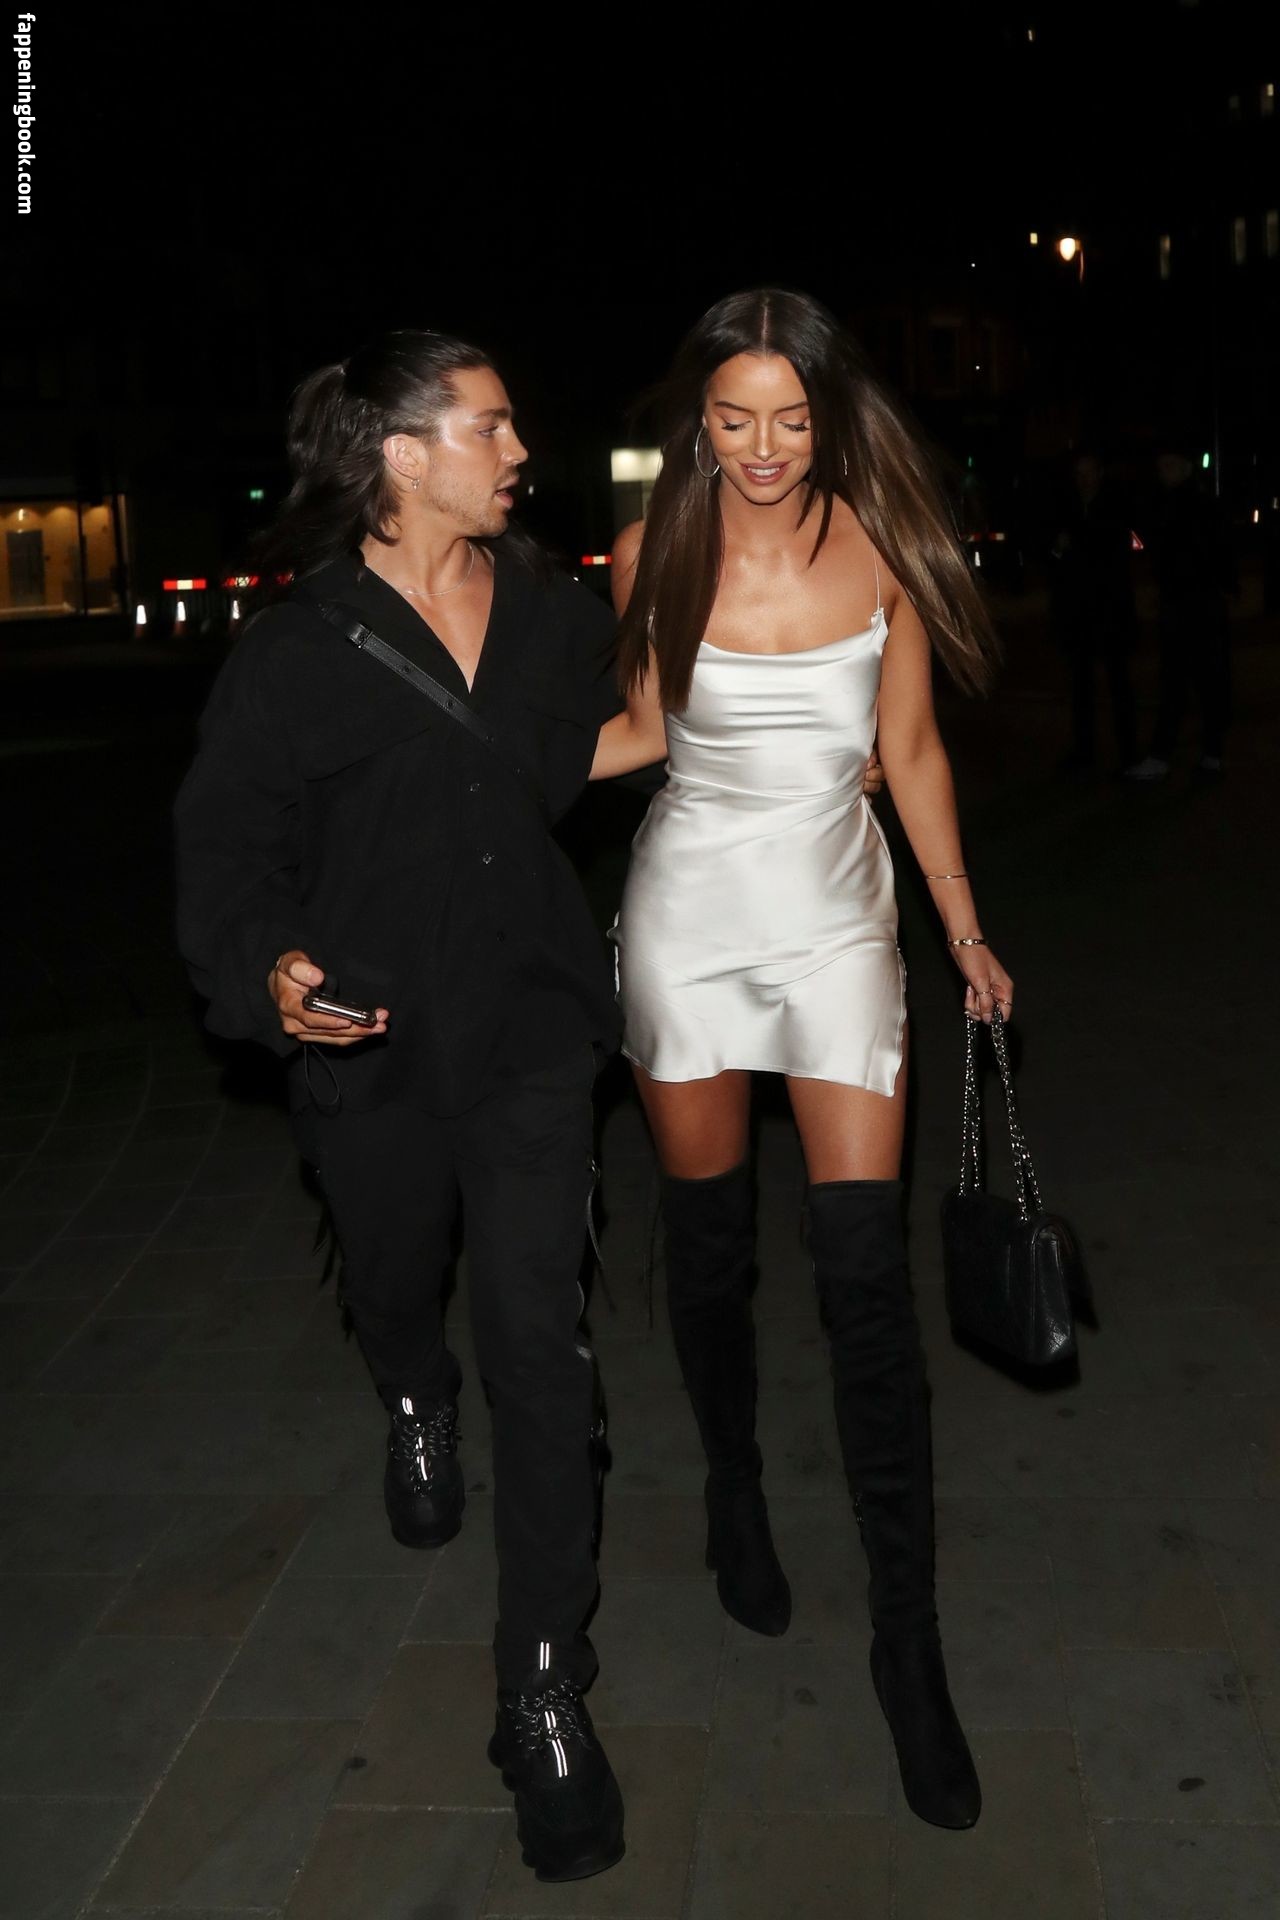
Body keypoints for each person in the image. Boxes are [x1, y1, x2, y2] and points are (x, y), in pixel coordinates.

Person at [173, 331, 626, 1884]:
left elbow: (595, 748)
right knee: (393, 1279)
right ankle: (413, 1393)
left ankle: (544, 1688)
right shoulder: (296, 652)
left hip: (532, 1039)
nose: (520, 451)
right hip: (369, 1050)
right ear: (404, 454)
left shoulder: (552, 613)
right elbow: (224, 852)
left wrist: (797, 739)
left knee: (543, 1345)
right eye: (492, 427)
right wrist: (267, 971)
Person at [589, 288, 1012, 1832]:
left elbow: (912, 751)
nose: (764, 446)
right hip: (690, 917)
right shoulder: (649, 553)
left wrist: (963, 927)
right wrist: (473, 769)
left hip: (838, 924)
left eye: (790, 417)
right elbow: (642, 732)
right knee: (709, 1254)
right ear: (695, 422)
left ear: (830, 414)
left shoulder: (884, 548)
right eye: (733, 417)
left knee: (864, 1283)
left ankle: (911, 1645)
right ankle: (734, 1489)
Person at [1126, 445, 1235, 780]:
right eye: (1162, 465)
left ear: (1186, 467)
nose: (1164, 471)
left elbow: (1210, 551)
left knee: (1198, 679)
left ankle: (1204, 753)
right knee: (1182, 679)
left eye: (1171, 464)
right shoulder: (1169, 502)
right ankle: (1180, 754)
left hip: (1196, 602)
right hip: (1182, 601)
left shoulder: (1195, 504)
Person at [1049, 450, 1138, 771]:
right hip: (1079, 610)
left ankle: (1129, 752)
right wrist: (1059, 550)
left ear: (1100, 473)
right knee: (1081, 685)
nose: (1083, 479)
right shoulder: (1069, 505)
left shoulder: (1114, 505)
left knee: (1118, 682)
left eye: (1089, 472)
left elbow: (1114, 551)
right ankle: (1084, 752)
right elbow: (1055, 553)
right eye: (1079, 473)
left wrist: (1075, 545)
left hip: (1109, 608)